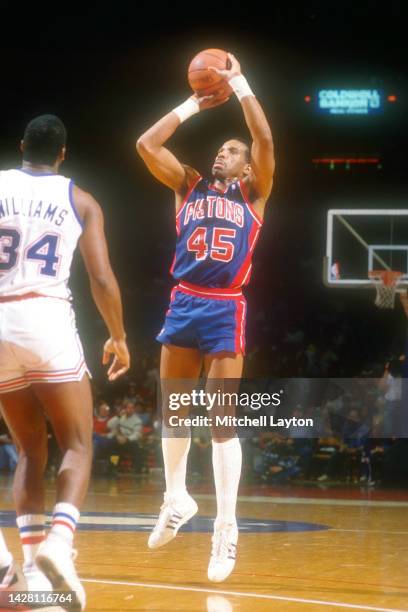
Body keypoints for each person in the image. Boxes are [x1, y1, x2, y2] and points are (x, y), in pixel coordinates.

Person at [137, 53, 274, 582]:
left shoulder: (255, 194)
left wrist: (239, 83)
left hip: (225, 306)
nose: (224, 153)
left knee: (220, 422)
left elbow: (264, 140)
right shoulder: (187, 185)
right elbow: (146, 145)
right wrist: (193, 102)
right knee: (173, 411)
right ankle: (175, 499)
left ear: (247, 167)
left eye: (233, 150)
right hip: (184, 299)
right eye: (221, 148)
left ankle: (227, 530)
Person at [0, 115, 130, 609]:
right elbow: (101, 279)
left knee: (30, 451)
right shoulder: (81, 199)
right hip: (46, 318)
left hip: (0, 322)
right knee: (76, 443)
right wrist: (118, 336)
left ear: (21, 147)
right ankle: (59, 541)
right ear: (63, 155)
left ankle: (32, 571)